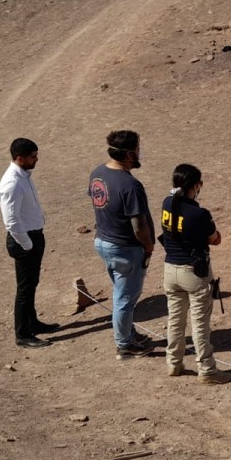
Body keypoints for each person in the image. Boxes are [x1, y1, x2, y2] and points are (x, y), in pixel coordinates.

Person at [160, 164, 231, 384]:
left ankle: (174, 363)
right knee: (200, 324)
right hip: (193, 272)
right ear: (195, 185)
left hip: (170, 270)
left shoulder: (166, 203)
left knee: (175, 320)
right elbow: (215, 239)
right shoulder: (199, 213)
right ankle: (207, 370)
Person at [88, 130, 155, 360]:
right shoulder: (130, 185)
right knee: (125, 299)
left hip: (104, 242)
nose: (139, 153)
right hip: (125, 249)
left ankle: (128, 333)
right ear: (128, 154)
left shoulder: (98, 173)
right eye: (137, 149)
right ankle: (124, 345)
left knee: (121, 293)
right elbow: (139, 226)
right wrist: (148, 246)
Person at [0, 137, 59, 348]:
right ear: (20, 158)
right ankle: (23, 334)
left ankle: (32, 322)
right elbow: (11, 221)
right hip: (24, 241)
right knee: (25, 288)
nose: (37, 159)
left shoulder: (23, 175)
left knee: (32, 284)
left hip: (33, 237)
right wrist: (28, 245)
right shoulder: (11, 183)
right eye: (33, 156)